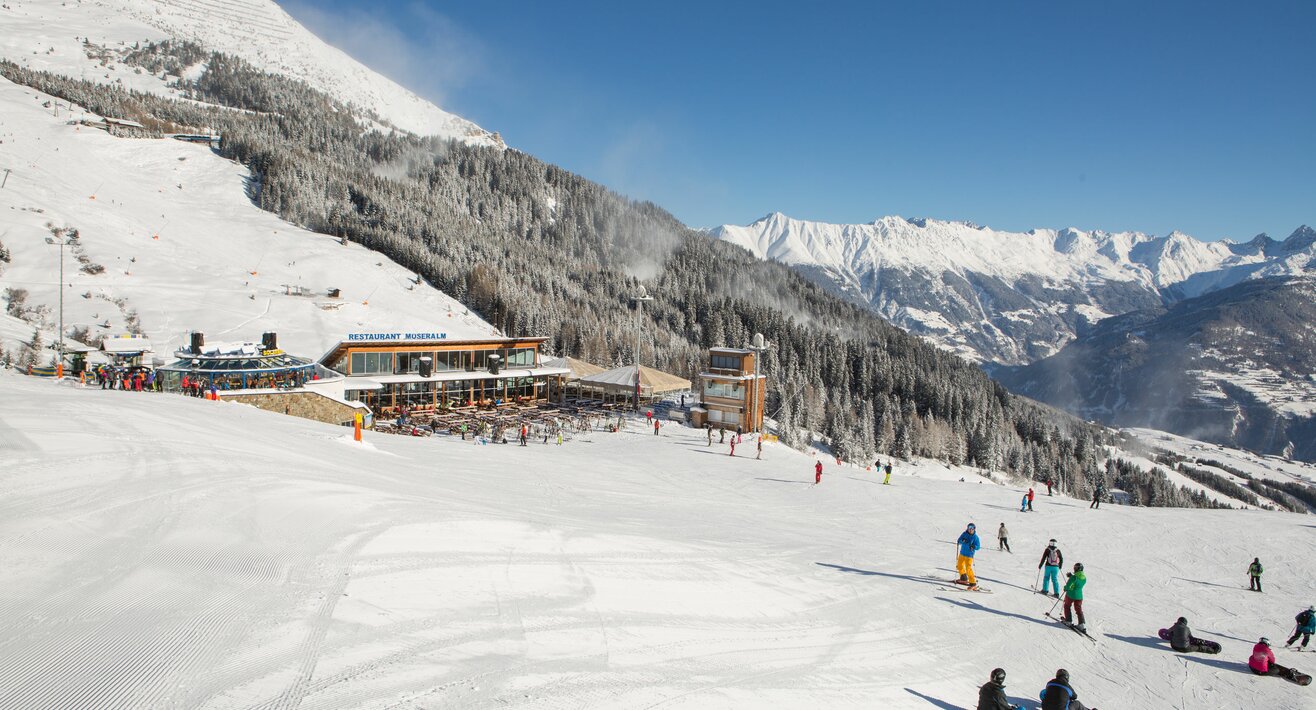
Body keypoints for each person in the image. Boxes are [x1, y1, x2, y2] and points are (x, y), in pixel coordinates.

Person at [1062, 563, 1087, 631]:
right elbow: (1077, 582)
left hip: (1071, 594)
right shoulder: (1084, 578)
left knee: (1067, 606)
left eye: (1076, 568)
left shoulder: (1074, 577)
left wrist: (1065, 588)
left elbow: (1069, 585)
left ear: (1079, 569)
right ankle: (1081, 624)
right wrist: (1071, 576)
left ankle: (1068, 621)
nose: (1074, 569)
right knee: (1078, 609)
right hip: (1079, 596)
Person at [956, 523, 982, 589]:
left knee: (968, 568)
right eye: (969, 528)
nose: (970, 530)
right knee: (959, 566)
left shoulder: (975, 537)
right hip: (962, 553)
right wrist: (962, 541)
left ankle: (973, 583)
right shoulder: (964, 534)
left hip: (969, 555)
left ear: (974, 529)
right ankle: (963, 578)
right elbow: (959, 540)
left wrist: (973, 546)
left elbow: (978, 547)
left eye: (972, 528)